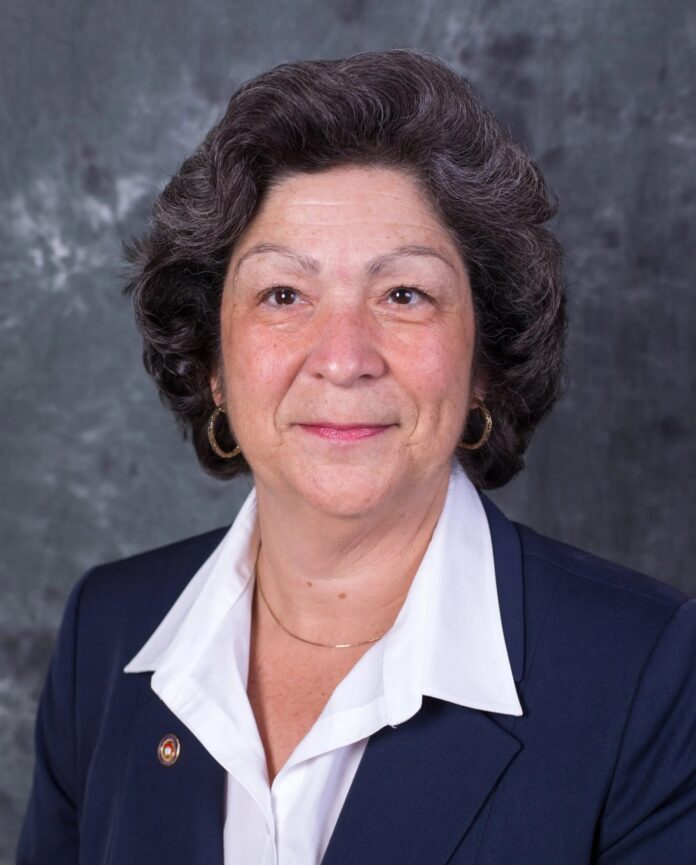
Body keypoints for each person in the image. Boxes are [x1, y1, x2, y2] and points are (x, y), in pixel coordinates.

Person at [16, 49, 696, 865]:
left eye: (404, 294)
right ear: (212, 362)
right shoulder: (107, 631)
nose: (343, 359)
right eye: (283, 295)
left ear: (484, 359)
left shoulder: (647, 670)